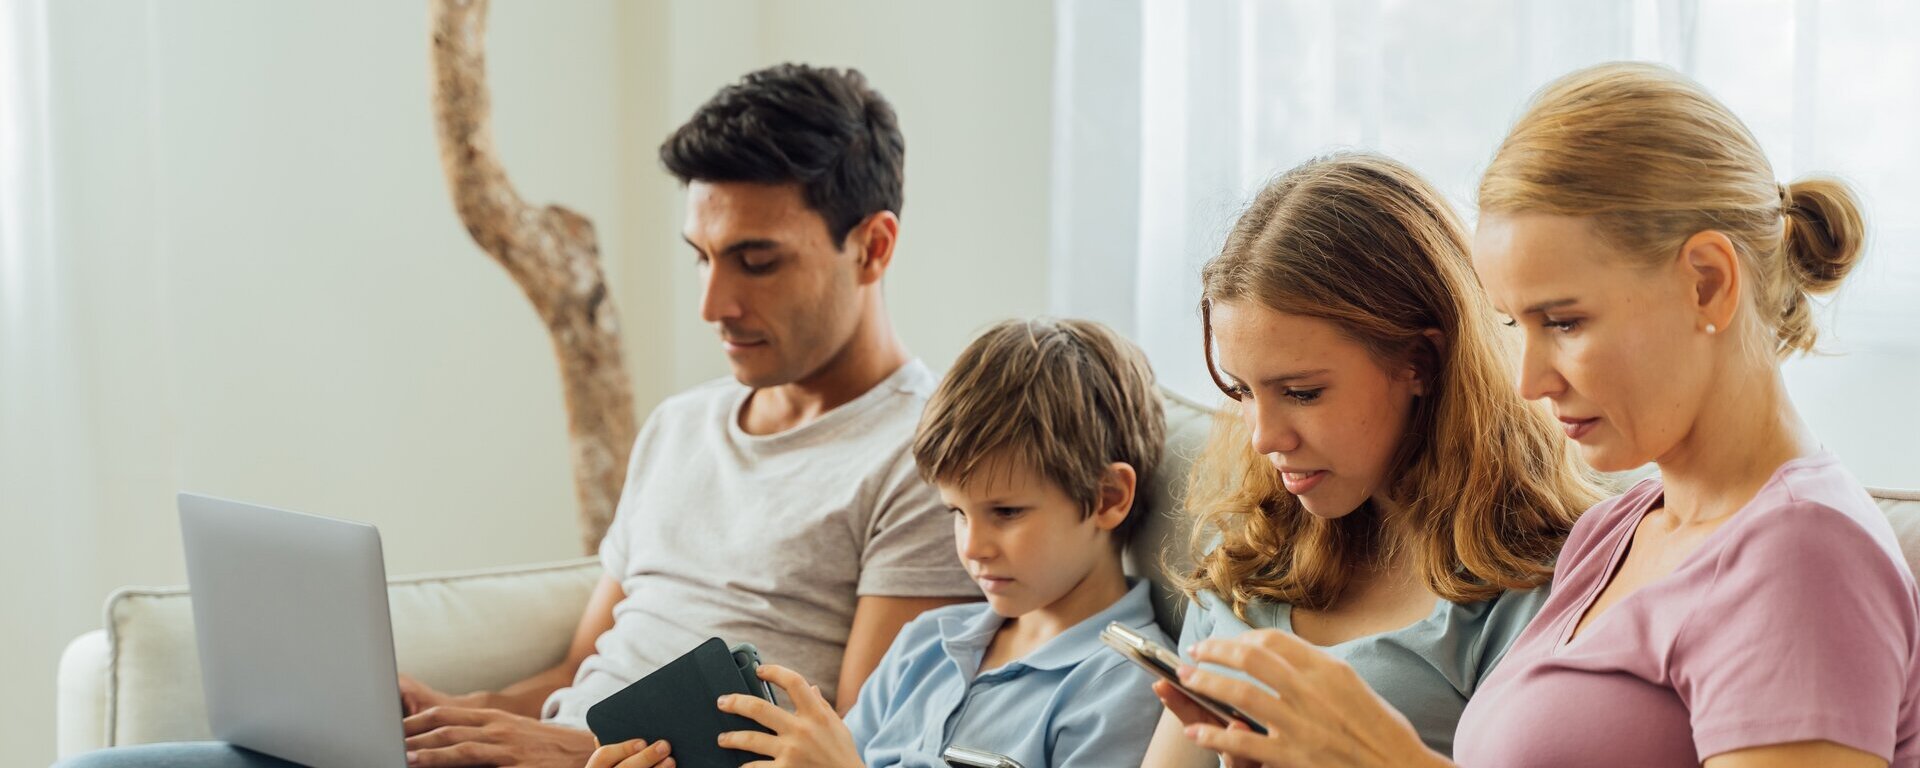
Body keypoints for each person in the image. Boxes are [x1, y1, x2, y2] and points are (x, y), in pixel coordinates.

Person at [56, 63, 979, 768]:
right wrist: (463, 711)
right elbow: (584, 668)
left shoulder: (927, 459)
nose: (713, 304)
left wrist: (575, 754)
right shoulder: (681, 426)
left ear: (873, 246)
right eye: (700, 256)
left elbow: (854, 743)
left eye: (756, 261)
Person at [1173, 63, 1920, 768]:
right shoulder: (1618, 532)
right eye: (1514, 326)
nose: (1528, 381)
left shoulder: (1803, 552)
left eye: (1563, 321)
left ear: (1708, 282)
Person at [1143, 153, 1605, 766]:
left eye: (1301, 393)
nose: (1263, 437)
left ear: (1420, 361)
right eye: (1243, 392)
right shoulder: (1244, 559)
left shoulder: (1540, 586)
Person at [587, 317, 1175, 768]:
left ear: (1107, 499)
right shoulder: (924, 648)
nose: (973, 546)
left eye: (1006, 512)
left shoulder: (1120, 688)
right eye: (956, 513)